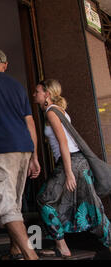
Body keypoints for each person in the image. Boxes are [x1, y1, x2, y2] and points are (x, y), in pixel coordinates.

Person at [0, 48, 41, 260]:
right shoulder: (19, 87)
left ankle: (31, 256)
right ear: (5, 65)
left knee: (6, 206)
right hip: (24, 148)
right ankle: (15, 251)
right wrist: (35, 156)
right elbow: (29, 122)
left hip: (0, 149)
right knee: (15, 203)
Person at [34, 79, 110, 257]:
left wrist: (68, 173)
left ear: (47, 94)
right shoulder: (60, 111)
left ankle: (62, 246)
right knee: (92, 205)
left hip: (71, 162)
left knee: (44, 200)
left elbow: (63, 143)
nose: (34, 95)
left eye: (37, 91)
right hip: (79, 162)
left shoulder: (51, 112)